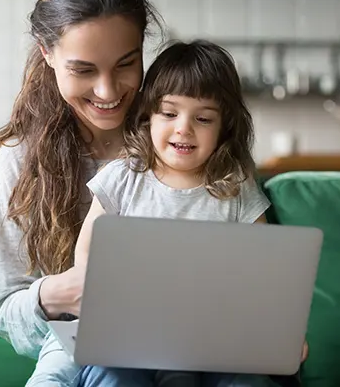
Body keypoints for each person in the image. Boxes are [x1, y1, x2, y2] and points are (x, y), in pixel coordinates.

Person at [0, 0, 307, 387]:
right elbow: (6, 312)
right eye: (83, 70)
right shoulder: (20, 161)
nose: (108, 92)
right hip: (99, 353)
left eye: (125, 64)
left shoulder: (182, 140)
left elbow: (255, 266)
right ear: (47, 53)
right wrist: (58, 293)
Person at [72, 40, 304, 387]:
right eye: (169, 113)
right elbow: (87, 255)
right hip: (134, 341)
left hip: (217, 345)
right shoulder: (122, 179)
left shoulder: (236, 188)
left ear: (224, 128)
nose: (184, 127)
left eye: (203, 118)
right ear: (147, 115)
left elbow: (265, 272)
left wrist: (280, 333)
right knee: (111, 379)